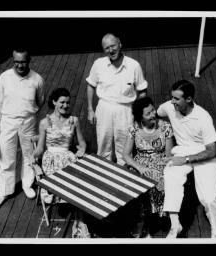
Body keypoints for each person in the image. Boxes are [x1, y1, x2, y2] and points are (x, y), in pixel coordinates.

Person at [157, 80, 216, 238]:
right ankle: (175, 225)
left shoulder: (203, 117)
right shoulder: (170, 106)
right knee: (170, 176)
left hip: (202, 153)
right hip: (182, 149)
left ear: (189, 99)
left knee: (209, 197)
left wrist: (185, 159)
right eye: (171, 97)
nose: (172, 102)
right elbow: (156, 113)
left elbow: (212, 151)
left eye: (176, 99)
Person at [0, 47, 45, 210]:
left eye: (23, 62)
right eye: (16, 62)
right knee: (6, 158)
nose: (19, 65)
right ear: (13, 61)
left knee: (29, 155)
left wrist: (29, 113)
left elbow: (40, 100)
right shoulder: (4, 77)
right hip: (7, 122)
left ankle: (27, 185)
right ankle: (5, 191)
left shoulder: (37, 79)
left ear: (29, 61)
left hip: (28, 122)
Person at [32, 87, 90, 238]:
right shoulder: (45, 122)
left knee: (80, 183)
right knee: (71, 183)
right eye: (62, 102)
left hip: (68, 156)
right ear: (54, 102)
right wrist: (32, 158)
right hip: (51, 159)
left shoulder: (74, 121)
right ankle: (64, 198)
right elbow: (39, 149)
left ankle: (80, 222)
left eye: (68, 103)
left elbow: (82, 143)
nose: (66, 105)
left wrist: (81, 150)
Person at [86, 33, 148, 165]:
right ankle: (103, 173)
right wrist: (90, 109)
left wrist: (140, 112)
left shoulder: (133, 65)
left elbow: (142, 90)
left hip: (125, 109)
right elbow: (91, 85)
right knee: (103, 143)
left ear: (120, 44)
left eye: (113, 46)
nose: (111, 50)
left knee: (124, 145)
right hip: (104, 108)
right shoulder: (98, 64)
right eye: (106, 48)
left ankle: (124, 175)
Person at [123, 96, 174, 238]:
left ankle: (150, 222)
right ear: (141, 117)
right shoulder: (134, 129)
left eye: (153, 110)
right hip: (140, 163)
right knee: (133, 182)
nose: (153, 115)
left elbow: (168, 155)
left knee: (158, 180)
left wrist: (157, 168)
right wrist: (139, 167)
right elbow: (126, 155)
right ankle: (140, 221)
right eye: (148, 113)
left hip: (160, 162)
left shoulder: (165, 127)